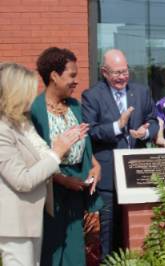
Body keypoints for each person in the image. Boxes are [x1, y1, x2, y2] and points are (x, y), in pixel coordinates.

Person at [0, 63, 84, 266]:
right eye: (29, 89)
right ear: (16, 93)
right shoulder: (3, 129)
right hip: (14, 224)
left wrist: (61, 144)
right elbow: (22, 180)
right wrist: (57, 152)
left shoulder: (22, 123)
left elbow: (45, 155)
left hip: (31, 219)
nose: (34, 95)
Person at [81, 49, 159, 258]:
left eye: (125, 71)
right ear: (104, 72)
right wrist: (117, 126)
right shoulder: (92, 96)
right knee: (108, 234)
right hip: (108, 177)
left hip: (138, 174)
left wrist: (145, 132)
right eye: (116, 73)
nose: (122, 77)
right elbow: (91, 131)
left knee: (137, 232)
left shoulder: (142, 92)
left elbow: (153, 121)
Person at [30, 47, 103, 266]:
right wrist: (63, 180)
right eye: (71, 75)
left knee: (74, 248)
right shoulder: (35, 110)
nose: (76, 81)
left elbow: (85, 143)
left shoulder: (74, 105)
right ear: (54, 75)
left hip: (77, 187)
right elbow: (35, 158)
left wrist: (95, 165)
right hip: (51, 190)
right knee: (52, 249)